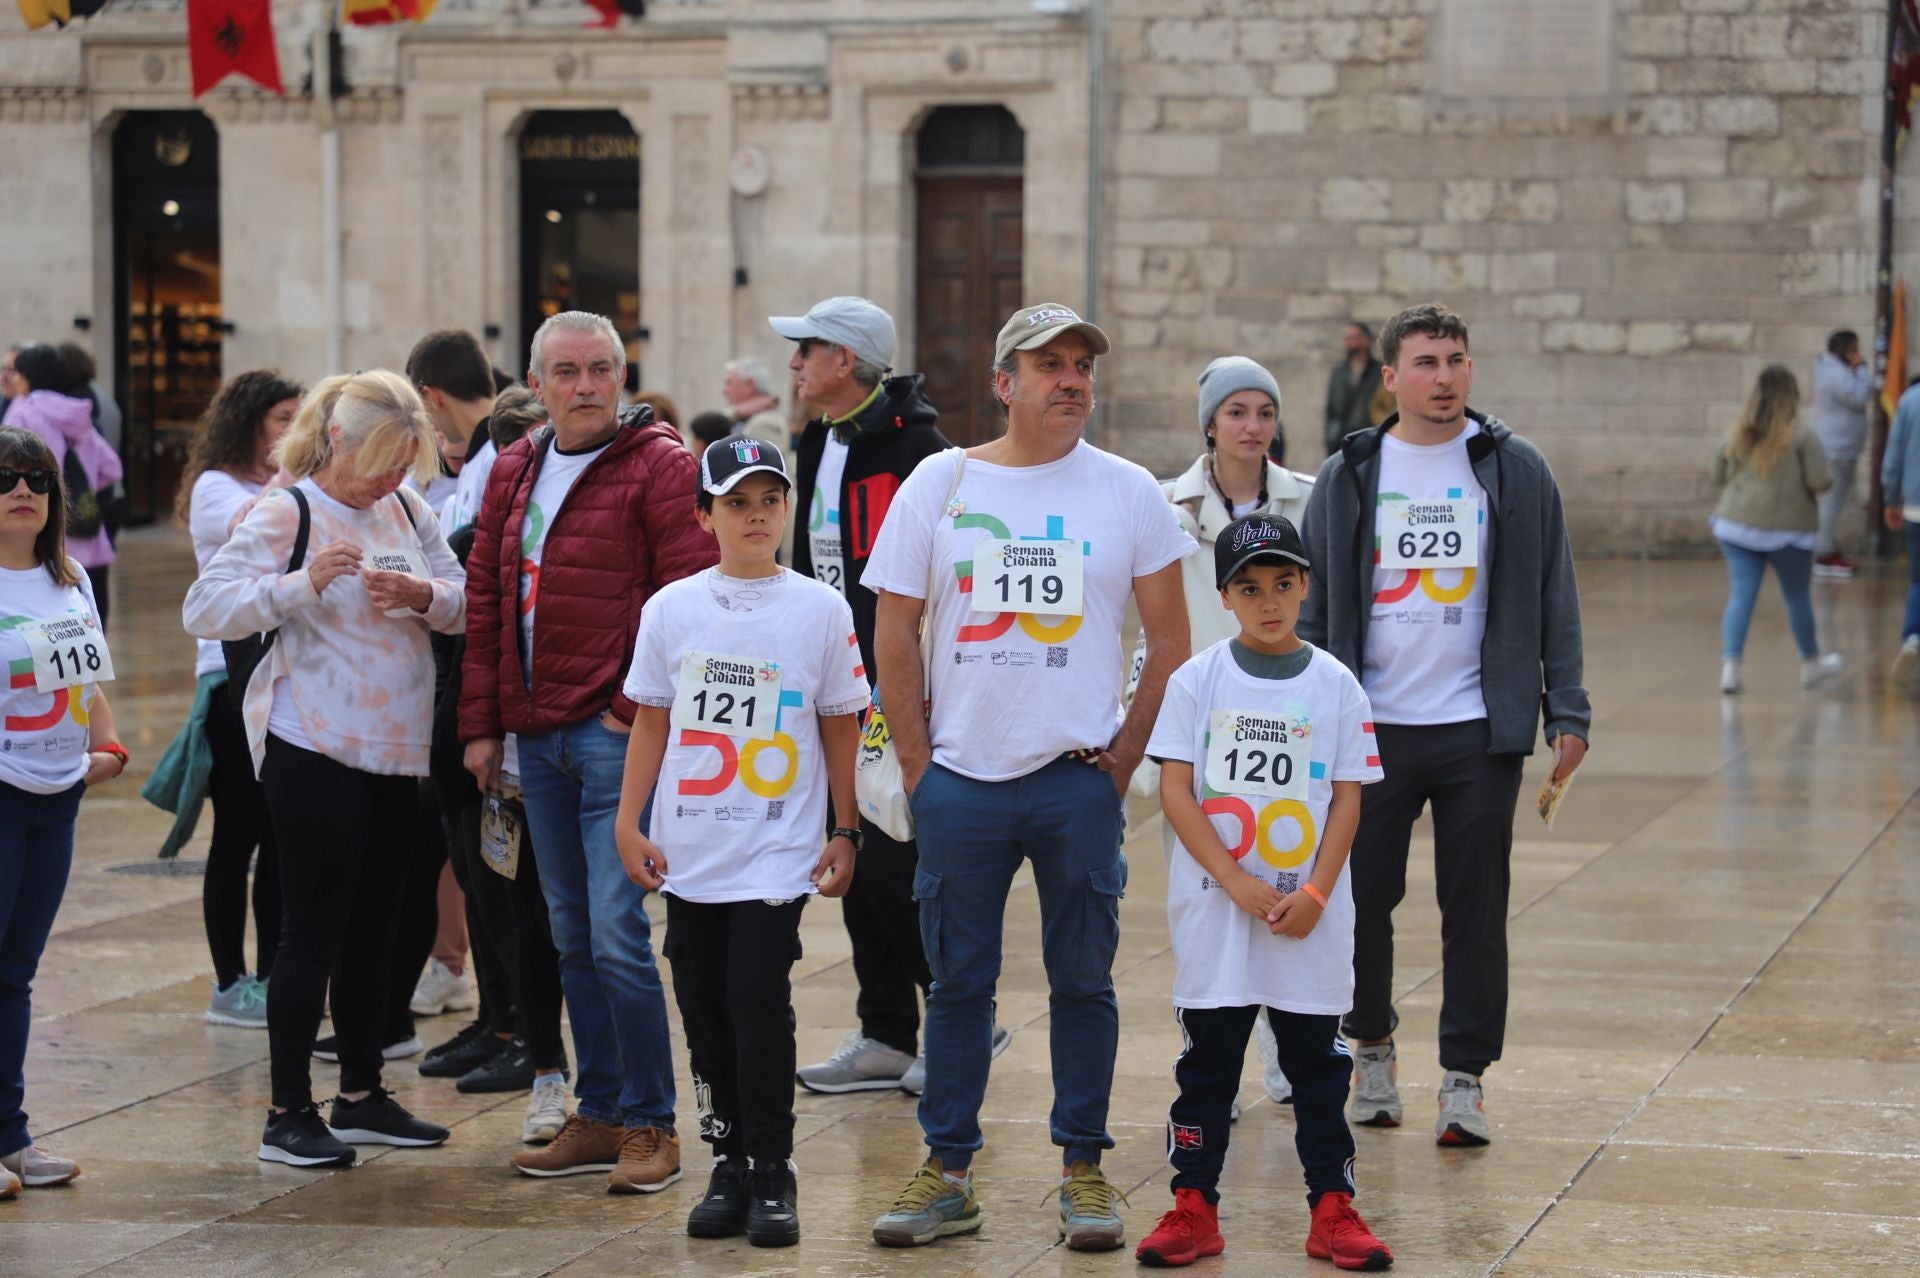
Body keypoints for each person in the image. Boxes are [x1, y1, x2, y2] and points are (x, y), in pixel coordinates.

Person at [864, 303, 1194, 1251]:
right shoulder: (942, 481)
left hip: (1074, 783)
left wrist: (1122, 761)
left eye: (1082, 363)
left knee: (1082, 981)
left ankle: (1084, 1171)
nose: (1071, 378)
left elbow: (1169, 641)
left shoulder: (1128, 491)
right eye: (1048, 363)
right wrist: (921, 764)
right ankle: (948, 1171)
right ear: (1004, 382)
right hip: (960, 783)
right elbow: (893, 628)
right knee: (958, 985)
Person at [1299, 302, 1589, 1148]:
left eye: (1456, 360)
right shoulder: (1352, 472)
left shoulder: (1514, 468)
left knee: (1476, 908)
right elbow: (1313, 611)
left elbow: (1553, 595)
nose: (1444, 377)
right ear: (1390, 377)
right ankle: (1373, 1050)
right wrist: (1313, 715)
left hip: (1476, 729)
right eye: (1425, 362)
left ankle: (1465, 1078)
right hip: (1373, 729)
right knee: (1361, 903)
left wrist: (1565, 708)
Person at [183, 370, 467, 1169]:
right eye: (382, 459)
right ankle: (286, 1112)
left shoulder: (408, 506)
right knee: (314, 928)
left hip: (396, 743)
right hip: (312, 742)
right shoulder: (289, 509)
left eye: (406, 460)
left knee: (377, 925)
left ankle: (362, 1093)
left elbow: (466, 596)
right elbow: (205, 608)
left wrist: (422, 595)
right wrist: (300, 585)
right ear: (339, 439)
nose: (392, 478)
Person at [460, 310, 716, 1191]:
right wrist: (482, 723)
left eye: (601, 369)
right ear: (536, 384)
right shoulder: (511, 468)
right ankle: (601, 1112)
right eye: (566, 371)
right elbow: (489, 598)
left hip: (614, 739)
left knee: (615, 934)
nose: (585, 386)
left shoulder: (660, 465)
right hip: (534, 735)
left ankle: (653, 1123)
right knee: (569, 934)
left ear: (622, 375)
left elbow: (688, 597)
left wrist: (626, 707)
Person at [614, 438, 868, 1246]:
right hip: (689, 852)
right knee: (703, 1003)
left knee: (759, 998)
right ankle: (725, 1160)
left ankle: (771, 1164)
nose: (756, 517)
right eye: (736, 503)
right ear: (704, 515)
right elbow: (653, 719)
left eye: (769, 501)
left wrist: (845, 826)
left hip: (774, 849)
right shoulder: (671, 609)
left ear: (787, 509)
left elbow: (839, 723)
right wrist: (630, 818)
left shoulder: (821, 609)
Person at [1134, 514, 1392, 1271]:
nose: (1269, 601)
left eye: (1283, 584)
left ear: (1306, 586)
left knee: (1317, 1064)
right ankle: (1194, 1204)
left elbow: (1348, 797)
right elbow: (1177, 792)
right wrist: (1233, 878)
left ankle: (1332, 1208)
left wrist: (1315, 889)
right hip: (1221, 910)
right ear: (1226, 597)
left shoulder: (1336, 685)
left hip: (1308, 916)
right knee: (1207, 1064)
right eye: (1250, 588)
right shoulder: (1197, 680)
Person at [771, 295, 963, 1096]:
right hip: (832, 685)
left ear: (843, 360)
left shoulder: (921, 450)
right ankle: (885, 1031)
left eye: (805, 350)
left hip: (897, 690)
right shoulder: (815, 439)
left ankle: (954, 1020)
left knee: (895, 865)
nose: (794, 364)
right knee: (846, 852)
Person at [1143, 356, 1317, 1109]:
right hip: (1199, 721)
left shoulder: (1307, 501)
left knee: (1284, 882)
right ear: (1210, 422)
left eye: (1265, 412)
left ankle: (1286, 1048)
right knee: (1202, 901)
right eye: (1237, 412)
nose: (1253, 426)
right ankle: (1212, 1060)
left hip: (1285, 724)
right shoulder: (1162, 504)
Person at [0, 425, 128, 1198]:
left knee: (14, 975)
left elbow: (87, 682)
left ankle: (12, 1138)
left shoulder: (69, 579)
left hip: (57, 799)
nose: (22, 491)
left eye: (37, 480)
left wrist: (106, 750)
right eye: (5, 478)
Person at [171, 370, 303, 1029]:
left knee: (280, 835)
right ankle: (229, 983)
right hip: (229, 676)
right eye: (284, 419)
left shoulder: (272, 484)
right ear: (249, 421)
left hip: (281, 674)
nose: (292, 432)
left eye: (299, 419)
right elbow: (257, 527)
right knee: (240, 833)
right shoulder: (218, 487)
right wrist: (301, 469)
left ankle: (274, 975)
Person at [1712, 366, 1846, 693]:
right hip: (1789, 531)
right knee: (1797, 597)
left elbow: (1718, 472)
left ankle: (1731, 668)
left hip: (1737, 526)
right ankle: (1811, 665)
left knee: (1741, 595)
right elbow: (1820, 481)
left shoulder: (1739, 429)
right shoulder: (1802, 433)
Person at [2, 345, 121, 628]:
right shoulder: (78, 417)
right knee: (89, 623)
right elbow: (112, 467)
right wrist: (83, 489)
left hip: (50, 537)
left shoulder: (23, 415)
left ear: (28, 375)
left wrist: (55, 492)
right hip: (88, 531)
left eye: (17, 372)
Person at [1810, 330, 1872, 578]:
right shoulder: (1836, 373)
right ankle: (1824, 553)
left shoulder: (1829, 368)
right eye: (1854, 350)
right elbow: (1861, 397)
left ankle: (1827, 548)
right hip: (1838, 448)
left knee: (1833, 500)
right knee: (1833, 500)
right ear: (1843, 350)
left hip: (1839, 445)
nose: (1857, 355)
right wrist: (1863, 368)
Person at [1885, 380, 1920, 688]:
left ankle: (1912, 638)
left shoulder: (1909, 400)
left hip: (1915, 508)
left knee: (1918, 579)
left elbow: (1893, 456)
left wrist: (1891, 498)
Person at [1323, 322, 1383, 458]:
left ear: (1367, 340)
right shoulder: (1339, 372)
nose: (1352, 342)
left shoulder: (1379, 371)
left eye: (1356, 337)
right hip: (1340, 440)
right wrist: (1330, 437)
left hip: (1370, 438)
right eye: (1348, 338)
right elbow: (1331, 408)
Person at [722, 356, 789, 456]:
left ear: (749, 385)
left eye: (729, 383)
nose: (724, 391)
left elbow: (766, 467)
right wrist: (736, 412)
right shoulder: (747, 419)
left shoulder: (762, 423)